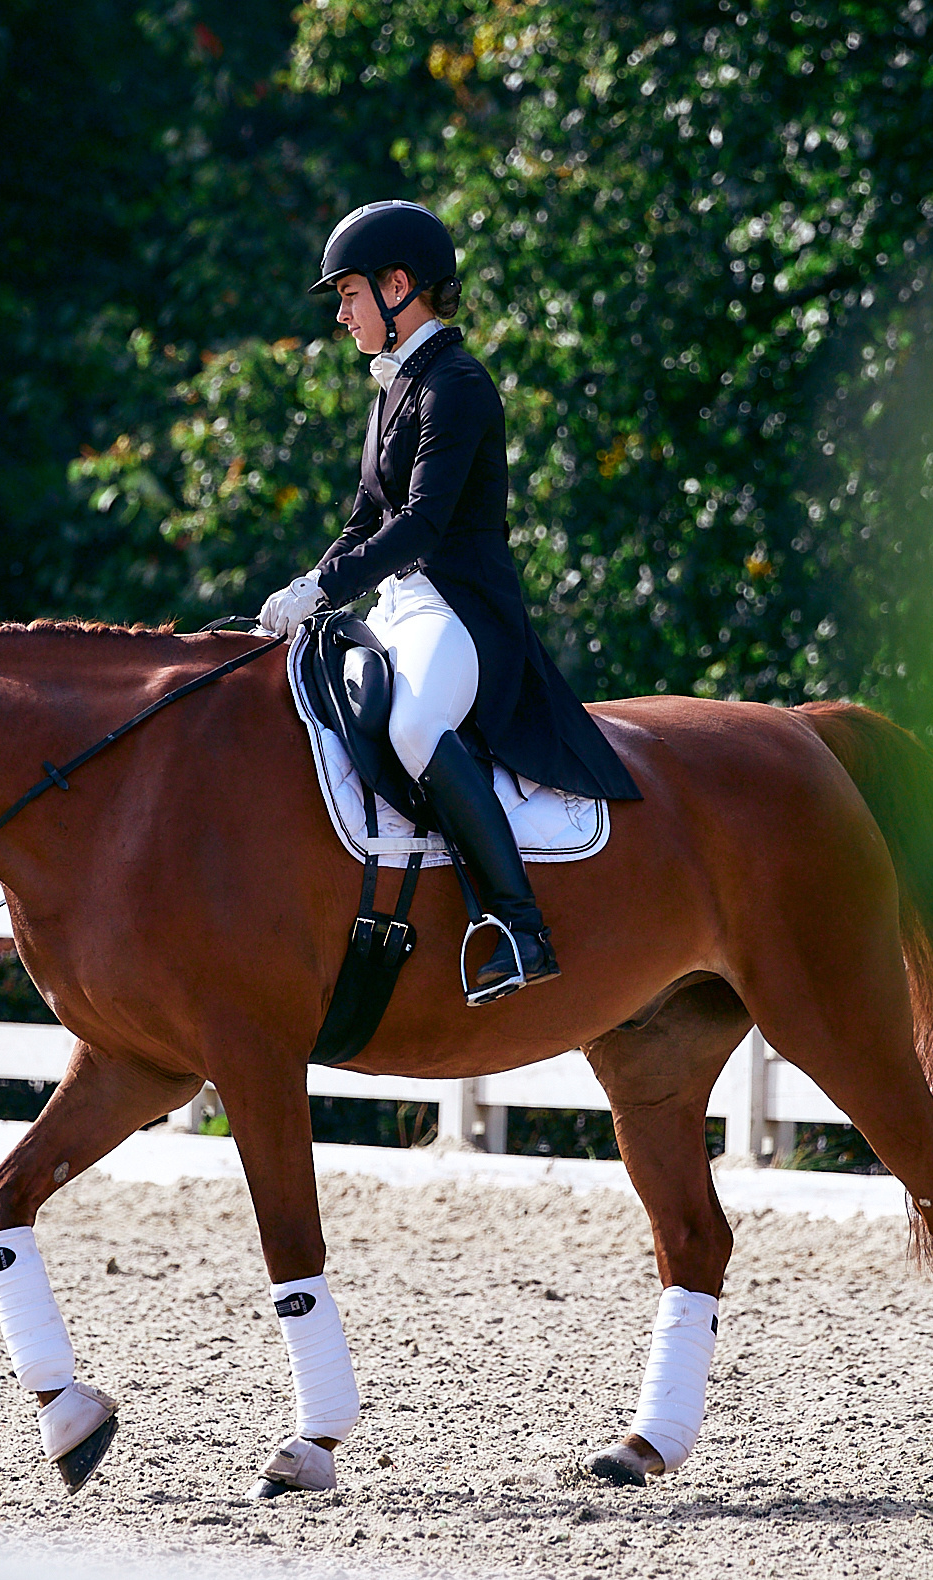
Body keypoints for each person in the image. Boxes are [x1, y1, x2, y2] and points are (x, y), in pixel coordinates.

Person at [260, 200, 641, 1003]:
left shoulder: (458, 384)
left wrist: (326, 586)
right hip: (404, 604)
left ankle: (519, 926)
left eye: (351, 293)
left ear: (400, 287)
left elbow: (426, 522)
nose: (342, 312)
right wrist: (299, 594)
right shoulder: (393, 391)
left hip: (462, 610)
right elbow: (366, 521)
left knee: (412, 722)